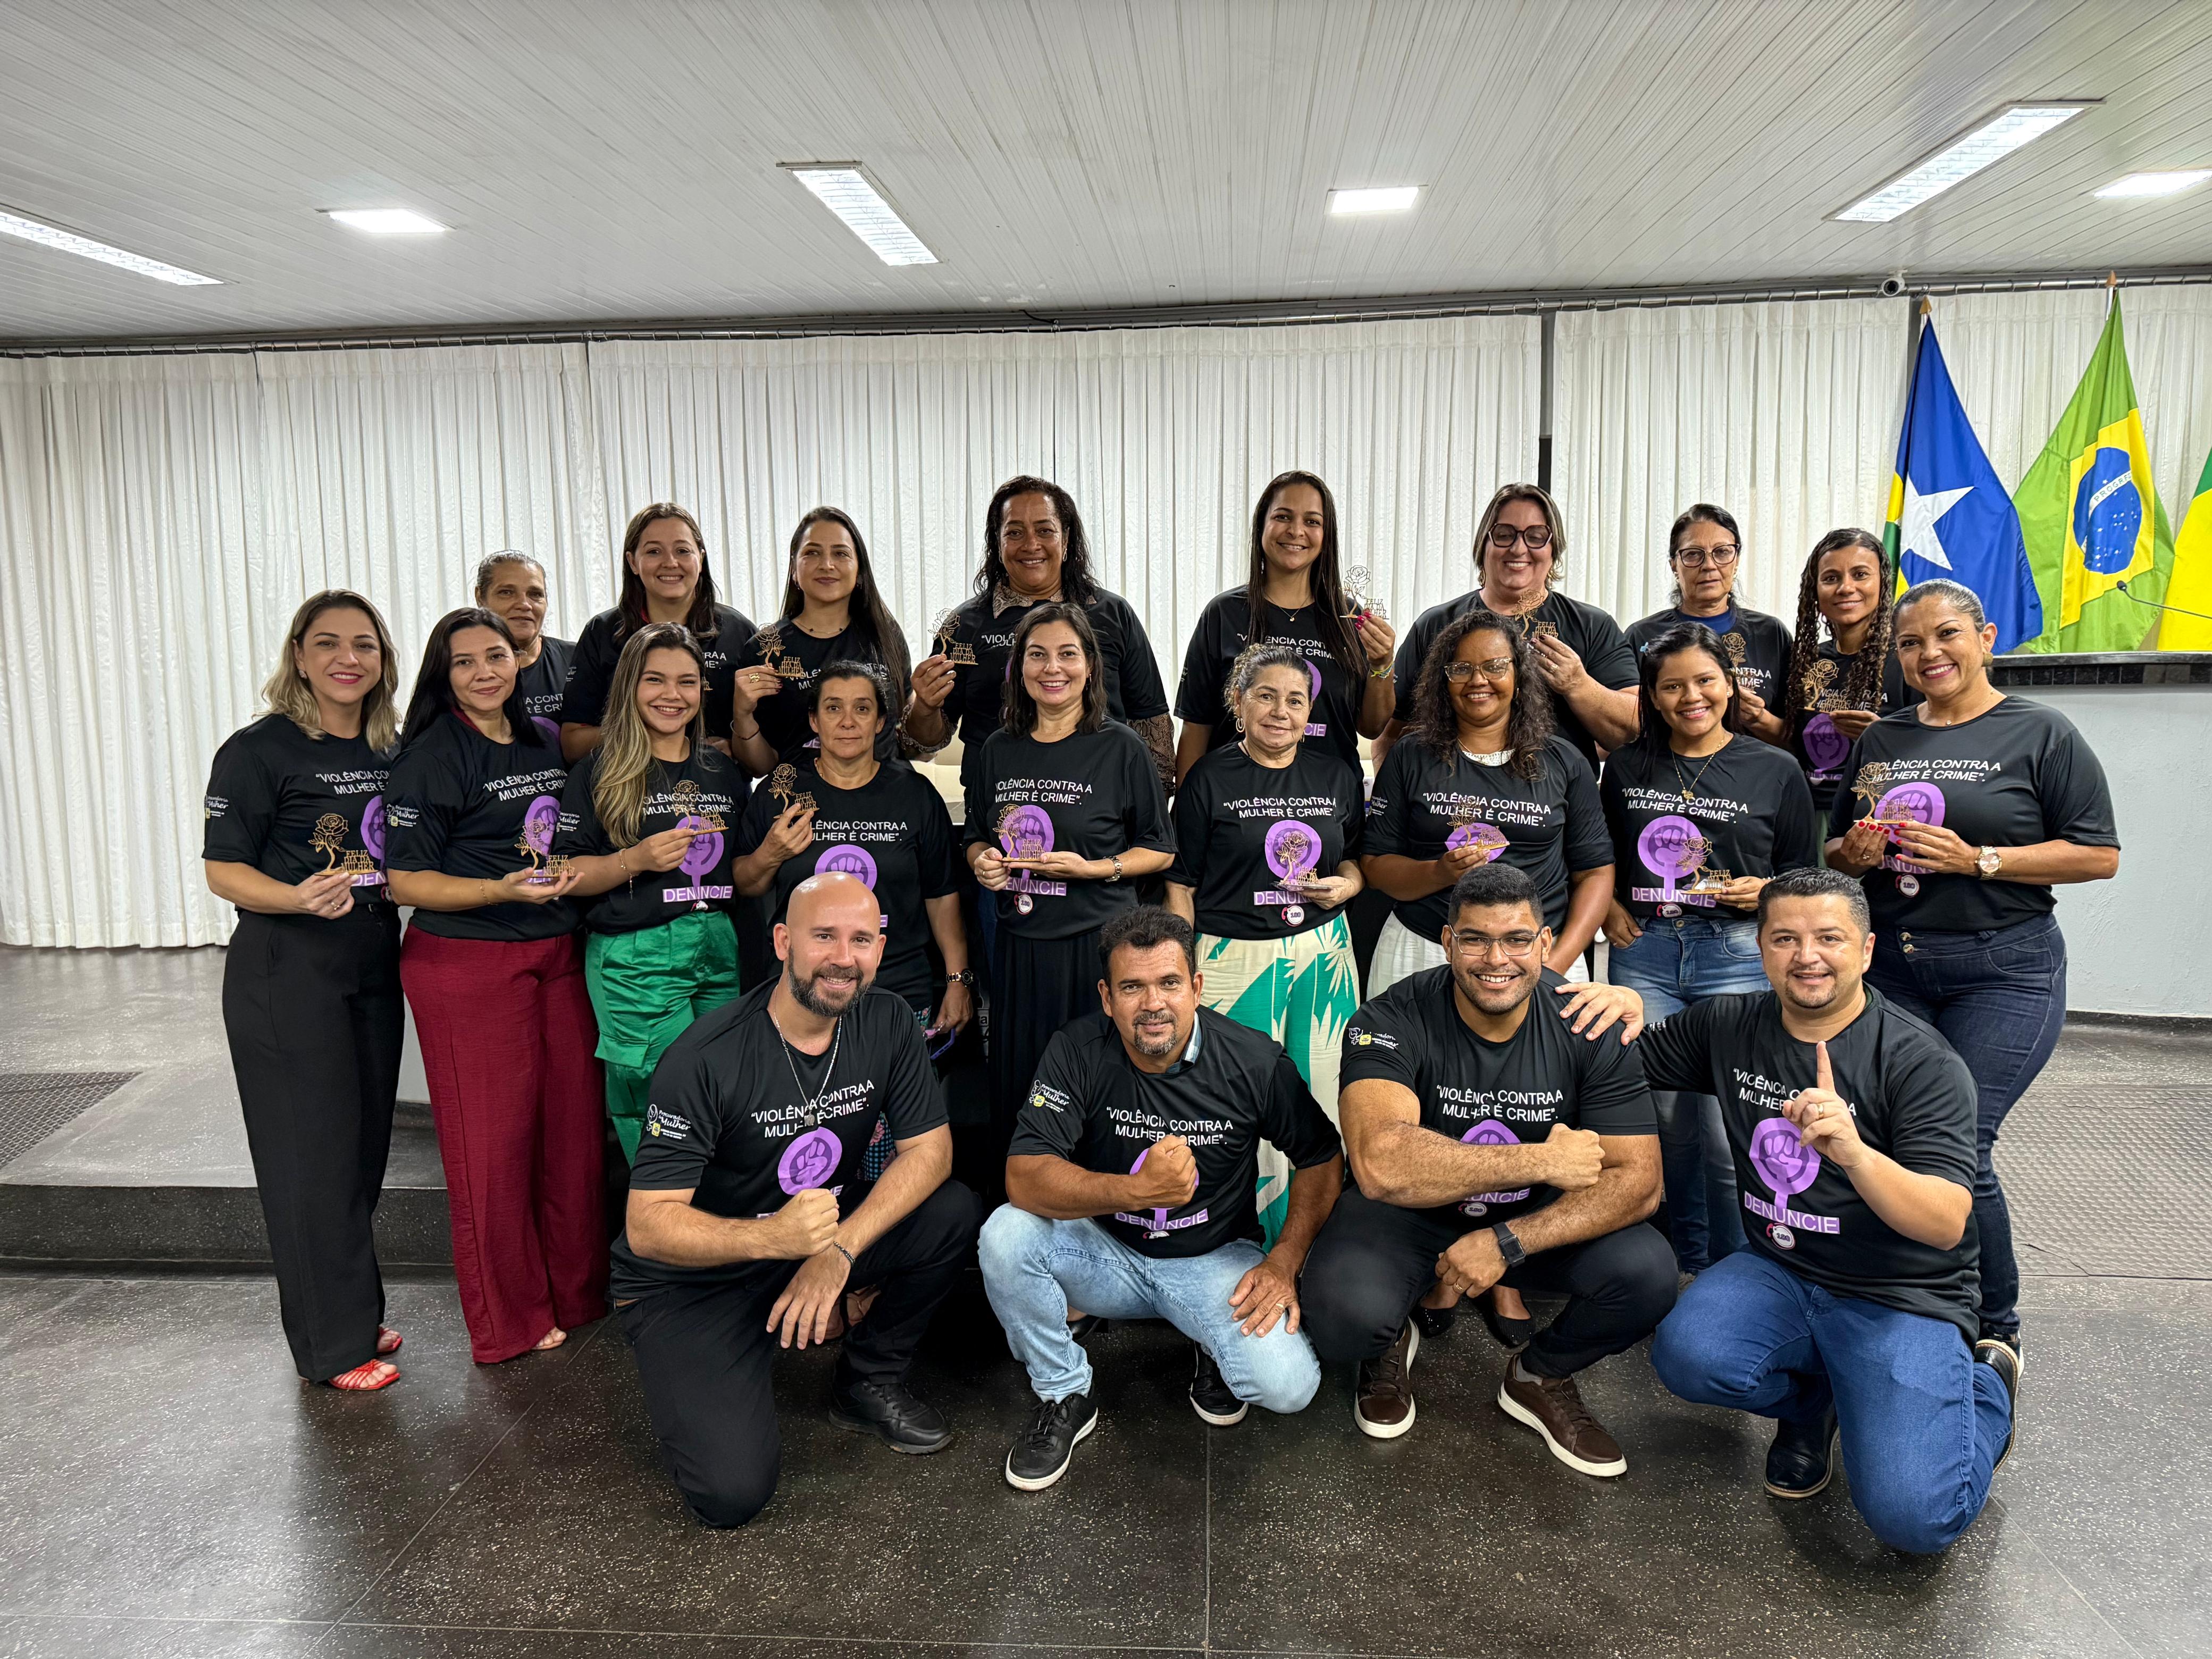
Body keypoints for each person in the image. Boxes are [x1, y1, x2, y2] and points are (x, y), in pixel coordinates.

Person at [1636, 868, 2020, 1554]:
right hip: (1781, 1268)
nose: (1806, 956)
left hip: (1900, 1293)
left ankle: (1986, 1388)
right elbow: (1619, 1065)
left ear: (1866, 950)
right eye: (1784, 938)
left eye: (1829, 938)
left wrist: (1855, 1154)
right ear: (1761, 949)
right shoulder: (1728, 1024)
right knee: (1690, 1357)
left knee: (1915, 1521)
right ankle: (1817, 1405)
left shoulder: (1920, 1061)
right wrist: (1611, 1007)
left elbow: (1944, 1224)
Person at [612, 873, 982, 1527]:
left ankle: (866, 1383)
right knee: (731, 1495)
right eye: (823, 937)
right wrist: (773, 1240)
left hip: (813, 1238)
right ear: (783, 942)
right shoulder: (705, 1057)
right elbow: (648, 1226)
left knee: (951, 1212)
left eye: (861, 940)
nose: (843, 958)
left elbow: (930, 1152)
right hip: (695, 1277)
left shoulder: (888, 1020)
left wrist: (837, 1254)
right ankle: (740, 1349)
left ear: (880, 948)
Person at [1825, 579, 2119, 1359]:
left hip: (2004, 972)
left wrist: (1979, 859)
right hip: (1893, 969)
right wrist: (1853, 854)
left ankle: (1995, 1326)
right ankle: (1900, 1293)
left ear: (1985, 638)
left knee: (1959, 1141)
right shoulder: (1882, 739)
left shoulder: (2042, 733)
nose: (1929, 653)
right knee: (1883, 1134)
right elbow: (1837, 848)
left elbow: (2098, 854)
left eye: (1946, 634)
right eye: (1910, 643)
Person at [1300, 864, 1671, 1476]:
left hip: (1528, 1214)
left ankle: (1539, 1375)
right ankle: (1388, 1339)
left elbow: (1638, 1182)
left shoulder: (1589, 1021)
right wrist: (1541, 1158)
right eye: (1474, 939)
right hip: (1409, 1212)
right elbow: (1379, 1163)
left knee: (1646, 1274)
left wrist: (1507, 1242)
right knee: (1342, 1322)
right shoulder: (1389, 1018)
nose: (1495, 959)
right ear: (1448, 942)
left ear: (1545, 943)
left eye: (1516, 940)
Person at [982, 907, 1343, 1491]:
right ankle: (1064, 1390)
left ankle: (1208, 1339)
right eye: (1132, 987)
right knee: (1005, 1233)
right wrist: (1136, 1191)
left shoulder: (1252, 1060)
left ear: (1196, 988)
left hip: (1213, 1260)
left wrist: (1283, 1262)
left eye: (1169, 983)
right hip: (1107, 1253)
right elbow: (1023, 1177)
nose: (1153, 1004)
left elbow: (1323, 1157)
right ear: (1107, 997)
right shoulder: (1076, 1048)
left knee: (1288, 1388)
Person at [384, 607, 606, 1364]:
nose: (485, 672)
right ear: (442, 675)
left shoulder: (543, 739)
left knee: (571, 1137)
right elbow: (405, 880)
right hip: (471, 964)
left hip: (557, 953)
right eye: (465, 661)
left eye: (497, 656)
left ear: (520, 661)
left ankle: (576, 1292)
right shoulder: (432, 755)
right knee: (494, 1151)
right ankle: (508, 1321)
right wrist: (498, 891)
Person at [203, 590, 407, 1392]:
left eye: (364, 644)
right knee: (309, 1158)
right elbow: (223, 868)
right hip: (286, 970)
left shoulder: (390, 749)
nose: (346, 658)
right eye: (327, 643)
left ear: (383, 660)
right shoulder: (258, 751)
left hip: (371, 965)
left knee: (361, 1152)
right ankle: (331, 1347)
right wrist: (293, 897)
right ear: (299, 655)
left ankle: (351, 1310)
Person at [1601, 622, 1818, 1276]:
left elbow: (1803, 875)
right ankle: (1682, 1261)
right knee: (1664, 1121)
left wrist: (1768, 893)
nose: (1689, 697)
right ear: (1651, 696)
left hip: (1735, 956)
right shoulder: (1627, 765)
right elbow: (1600, 853)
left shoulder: (1776, 769)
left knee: (1730, 1127)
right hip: (1644, 953)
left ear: (1729, 685)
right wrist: (1608, 906)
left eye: (1703, 681)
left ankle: (1737, 1270)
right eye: (1671, 687)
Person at [1165, 641, 1364, 1243]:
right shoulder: (1208, 778)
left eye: (1295, 700)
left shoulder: (1336, 775)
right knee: (1238, 1104)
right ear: (1239, 702)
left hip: (1323, 956)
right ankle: (1242, 1243)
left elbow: (1356, 861)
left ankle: (1317, 1245)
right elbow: (1180, 883)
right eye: (1266, 696)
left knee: (1323, 1096)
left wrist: (1347, 885)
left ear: (1310, 711)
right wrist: (1184, 966)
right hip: (1232, 959)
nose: (1281, 711)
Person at [965, 605, 1175, 1171]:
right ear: (1019, 668)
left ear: (1090, 667)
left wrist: (1093, 869)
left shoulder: (1121, 747)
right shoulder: (998, 749)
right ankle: (1022, 1207)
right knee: (1023, 1093)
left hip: (1096, 952)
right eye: (1037, 655)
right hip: (1020, 949)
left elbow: (1159, 848)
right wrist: (984, 861)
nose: (1051, 668)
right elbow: (977, 835)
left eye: (1067, 654)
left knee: (1097, 1098)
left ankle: (1105, 1204)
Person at [554, 623, 745, 1163]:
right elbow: (566, 871)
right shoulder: (599, 770)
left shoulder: (721, 770)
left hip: (718, 946)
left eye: (686, 681)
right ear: (629, 686)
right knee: (656, 1102)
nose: (672, 695)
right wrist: (633, 860)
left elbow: (741, 866)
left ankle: (711, 1213)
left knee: (721, 1094)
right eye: (654, 679)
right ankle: (660, 1214)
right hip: (636, 956)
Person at [1363, 607, 1612, 996]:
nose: (1478, 680)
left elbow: (1595, 874)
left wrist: (1554, 964)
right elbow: (1376, 865)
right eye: (1461, 669)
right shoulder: (1410, 755)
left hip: (1539, 956)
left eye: (1495, 666)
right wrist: (1439, 873)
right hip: (1423, 950)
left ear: (1519, 676)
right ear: (1443, 681)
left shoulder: (1564, 761)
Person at [734, 663, 974, 1056]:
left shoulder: (914, 795)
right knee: (807, 1096)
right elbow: (746, 884)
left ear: (880, 722)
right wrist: (771, 853)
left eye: (862, 709)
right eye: (833, 708)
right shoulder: (782, 792)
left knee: (902, 1094)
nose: (847, 721)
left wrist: (957, 980)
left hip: (897, 989)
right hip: (803, 992)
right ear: (814, 721)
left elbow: (942, 896)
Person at [901, 474, 1173, 807]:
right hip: (999, 812)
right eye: (1015, 533)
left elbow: (1151, 722)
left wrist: (1150, 811)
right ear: (997, 542)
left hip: (1103, 810)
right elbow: (924, 745)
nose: (1031, 545)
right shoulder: (963, 627)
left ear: (1066, 538)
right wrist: (925, 707)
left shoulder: (1112, 615)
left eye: (1045, 531)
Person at [1375, 483, 1636, 772]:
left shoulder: (1592, 625)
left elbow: (1633, 730)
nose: (1519, 548)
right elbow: (1389, 734)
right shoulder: (1436, 624)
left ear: (1554, 549)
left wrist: (1578, 685)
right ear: (1483, 545)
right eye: (1504, 535)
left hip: (1559, 796)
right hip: (1453, 796)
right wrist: (1388, 796)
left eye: (1536, 537)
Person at [1172, 470, 1395, 780]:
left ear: (1326, 536)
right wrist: (1188, 803)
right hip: (1235, 796)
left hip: (1329, 799)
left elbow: (1372, 727)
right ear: (1261, 526)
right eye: (1283, 517)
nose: (1296, 531)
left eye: (1312, 521)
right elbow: (1196, 727)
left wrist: (1382, 664)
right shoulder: (1223, 613)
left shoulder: (1351, 618)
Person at [558, 502, 755, 762]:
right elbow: (573, 744)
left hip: (717, 783)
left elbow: (766, 746)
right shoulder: (603, 632)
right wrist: (657, 736)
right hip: (627, 783)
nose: (670, 563)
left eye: (683, 551)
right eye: (654, 552)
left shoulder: (738, 631)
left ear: (700, 559)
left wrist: (737, 748)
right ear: (633, 562)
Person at [728, 507, 913, 774]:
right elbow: (761, 768)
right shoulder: (766, 649)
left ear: (860, 571)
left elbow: (911, 737)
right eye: (812, 553)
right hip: (804, 797)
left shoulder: (886, 636)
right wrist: (742, 715)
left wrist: (929, 707)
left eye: (841, 554)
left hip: (886, 794)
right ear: (794, 569)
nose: (827, 565)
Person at [1623, 504, 1791, 743]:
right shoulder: (1643, 635)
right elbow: (1624, 724)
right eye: (1693, 554)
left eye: (1722, 552)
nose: (1709, 565)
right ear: (1674, 565)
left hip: (1758, 765)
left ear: (1736, 560)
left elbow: (1795, 740)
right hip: (1667, 764)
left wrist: (1758, 718)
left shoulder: (1771, 634)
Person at [1778, 529, 1908, 818]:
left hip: (1878, 814)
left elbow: (1938, 748)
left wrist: (1882, 736)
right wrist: (1754, 716)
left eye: (1860, 575)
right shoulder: (1807, 661)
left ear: (1882, 583)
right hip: (1809, 810)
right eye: (1831, 578)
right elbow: (1792, 741)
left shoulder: (1906, 658)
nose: (1846, 588)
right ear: (1814, 590)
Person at [476, 550, 572, 744]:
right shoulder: (459, 671)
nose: (524, 604)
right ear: (480, 598)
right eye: (507, 592)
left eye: (535, 594)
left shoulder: (578, 658)